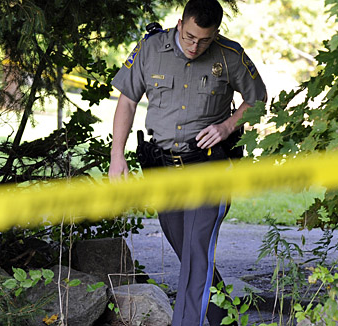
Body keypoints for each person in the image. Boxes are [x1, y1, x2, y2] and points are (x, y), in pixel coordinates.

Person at [108, 0, 266, 325]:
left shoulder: (229, 55)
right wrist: (117, 155)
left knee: (196, 250)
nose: (196, 46)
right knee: (190, 252)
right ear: (180, 24)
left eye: (204, 40)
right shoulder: (151, 49)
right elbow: (126, 101)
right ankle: (228, 320)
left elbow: (258, 99)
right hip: (165, 170)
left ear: (215, 34)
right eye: (191, 37)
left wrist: (226, 127)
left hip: (210, 168)